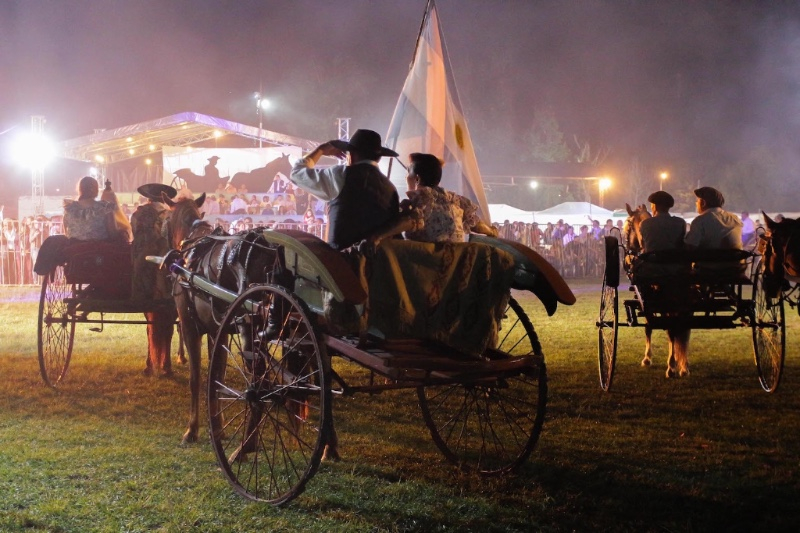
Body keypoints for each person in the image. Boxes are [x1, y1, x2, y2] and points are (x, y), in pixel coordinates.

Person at [289, 128, 399, 250]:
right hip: (378, 263)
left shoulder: (340, 175)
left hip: (341, 261)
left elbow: (297, 174)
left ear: (351, 155)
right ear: (378, 158)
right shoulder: (391, 188)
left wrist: (320, 150)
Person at [365, 152, 497, 245]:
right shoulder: (455, 200)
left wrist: (377, 237)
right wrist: (492, 231)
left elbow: (411, 221)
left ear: (416, 178)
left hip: (426, 267)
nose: (406, 177)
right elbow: (476, 224)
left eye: (408, 172)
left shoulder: (421, 200)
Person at [130, 183, 179, 376]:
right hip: (166, 265)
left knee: (151, 318)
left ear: (148, 198)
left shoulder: (137, 215)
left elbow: (135, 234)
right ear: (164, 199)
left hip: (142, 267)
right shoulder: (170, 215)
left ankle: (152, 360)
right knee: (167, 316)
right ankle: (164, 362)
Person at [63, 176, 125, 241]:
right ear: (95, 189)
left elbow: (66, 234)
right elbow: (113, 235)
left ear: (80, 189)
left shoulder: (69, 208)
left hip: (74, 249)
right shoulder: (105, 207)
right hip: (99, 249)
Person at [685, 186, 742, 251]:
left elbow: (691, 247)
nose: (696, 203)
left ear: (703, 203)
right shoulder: (735, 218)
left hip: (710, 260)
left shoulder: (700, 221)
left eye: (697, 201)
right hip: (735, 260)